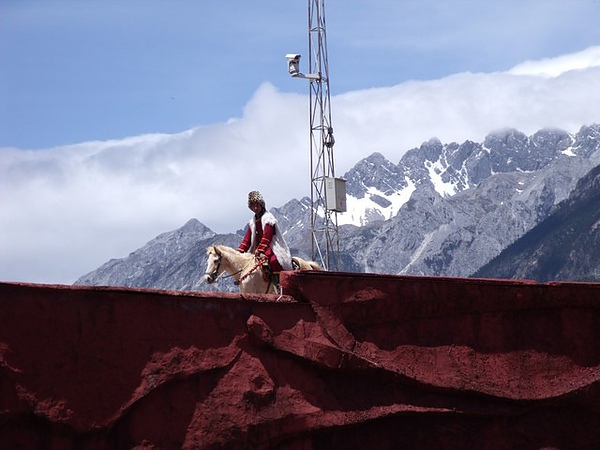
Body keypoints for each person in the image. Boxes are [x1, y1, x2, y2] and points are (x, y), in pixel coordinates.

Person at [238, 191, 293, 278]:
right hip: (257, 250)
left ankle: (278, 284)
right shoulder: (252, 222)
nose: (255, 208)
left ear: (261, 205)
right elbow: (247, 240)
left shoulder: (268, 218)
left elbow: (267, 237)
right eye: (253, 206)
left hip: (270, 248)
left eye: (257, 205)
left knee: (274, 261)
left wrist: (260, 250)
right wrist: (239, 252)